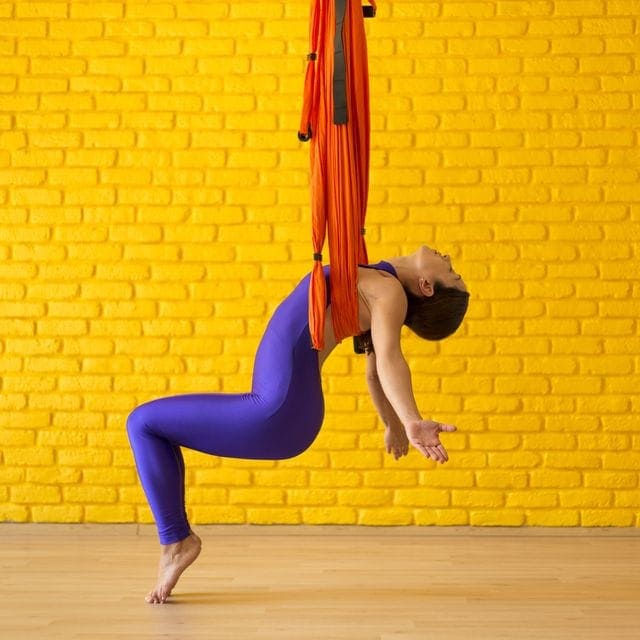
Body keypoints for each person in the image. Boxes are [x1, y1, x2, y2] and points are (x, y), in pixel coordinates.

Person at [126, 245, 469, 603]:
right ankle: (176, 541)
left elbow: (388, 359)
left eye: (452, 272)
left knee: (143, 423)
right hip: (281, 409)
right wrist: (392, 424)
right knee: (150, 427)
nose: (448, 258)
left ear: (427, 286)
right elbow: (372, 373)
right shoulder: (375, 277)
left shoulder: (387, 290)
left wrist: (410, 420)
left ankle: (177, 543)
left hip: (277, 411)